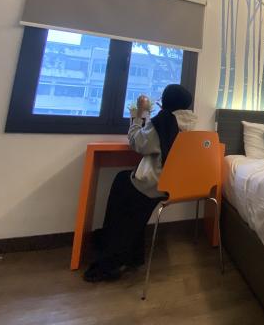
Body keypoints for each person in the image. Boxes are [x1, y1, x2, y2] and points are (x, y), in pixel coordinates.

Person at [83, 84, 196, 282]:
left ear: (166, 101)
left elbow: (136, 142)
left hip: (154, 185)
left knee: (122, 185)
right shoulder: (192, 125)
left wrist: (138, 115)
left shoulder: (163, 121)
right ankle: (131, 253)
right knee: (123, 181)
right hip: (176, 185)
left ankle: (114, 253)